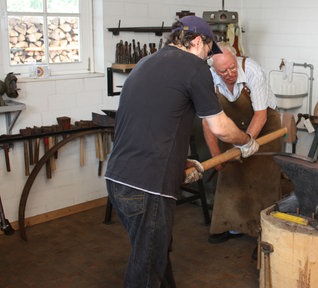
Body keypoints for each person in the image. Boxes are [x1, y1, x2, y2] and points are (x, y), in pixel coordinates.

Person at [104, 16, 259, 288]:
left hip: (118, 179)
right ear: (197, 41)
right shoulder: (193, 67)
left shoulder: (146, 63)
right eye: (208, 52)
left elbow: (150, 124)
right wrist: (246, 141)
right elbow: (220, 128)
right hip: (148, 186)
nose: (207, 60)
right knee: (147, 268)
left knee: (154, 255)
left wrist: (179, 160)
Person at [203, 43, 283, 250]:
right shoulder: (207, 78)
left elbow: (260, 114)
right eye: (224, 71)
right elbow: (207, 121)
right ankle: (230, 225)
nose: (230, 73)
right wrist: (215, 156)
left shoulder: (251, 70)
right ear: (214, 69)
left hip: (263, 127)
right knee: (230, 175)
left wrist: (247, 144)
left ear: (235, 59)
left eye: (232, 67)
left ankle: (265, 234)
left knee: (263, 178)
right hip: (233, 129)